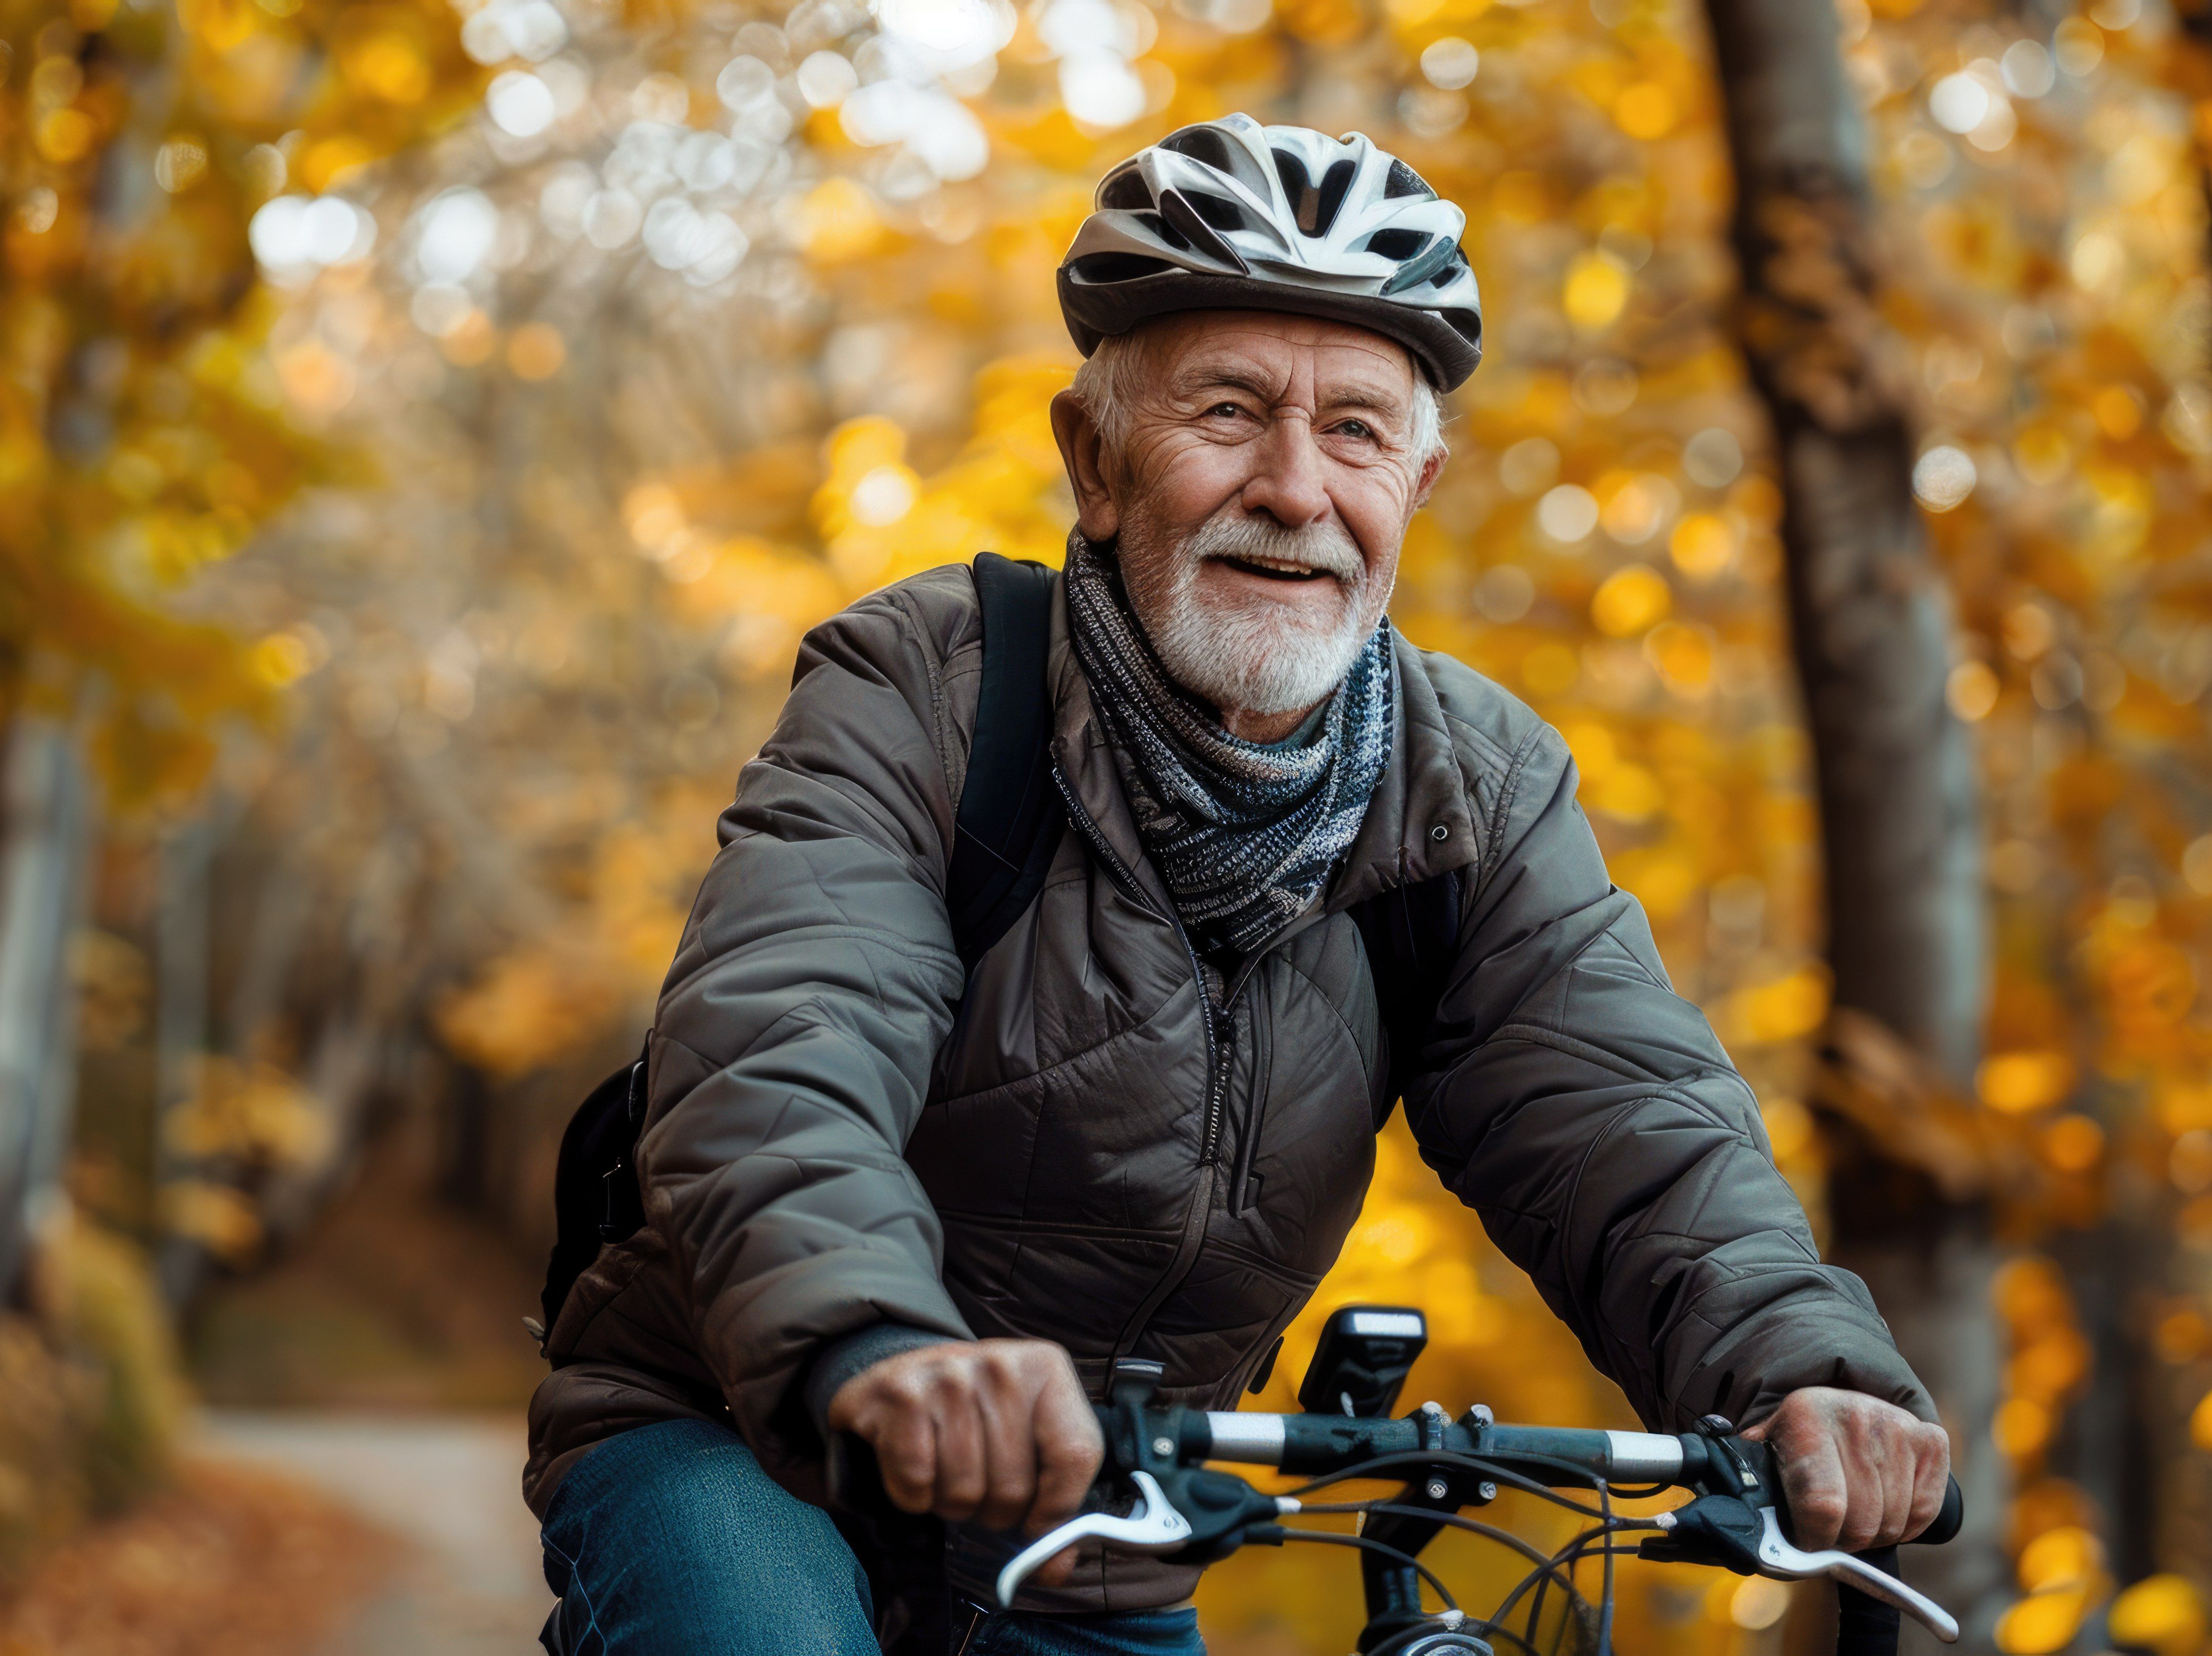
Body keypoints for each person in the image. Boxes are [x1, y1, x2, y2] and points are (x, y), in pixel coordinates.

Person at [526, 113, 1951, 1656]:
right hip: (742, 1430)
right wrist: (872, 1342)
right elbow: (781, 1044)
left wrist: (1811, 1376)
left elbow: (1631, 1123)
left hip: (1106, 1519)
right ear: (1096, 461)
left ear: (1417, 482)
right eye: (1228, 411)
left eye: (1354, 431)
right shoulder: (929, 689)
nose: (1293, 485)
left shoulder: (1475, 791)